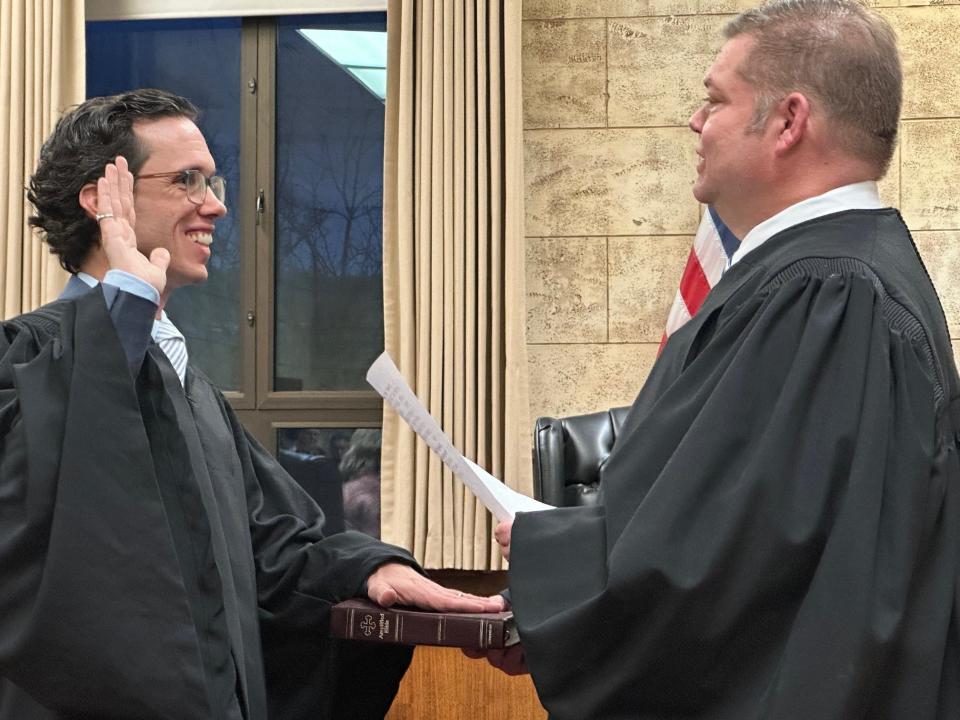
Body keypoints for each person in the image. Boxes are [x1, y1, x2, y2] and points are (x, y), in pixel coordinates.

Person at [485, 1, 960, 718]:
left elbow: (727, 556)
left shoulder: (827, 294)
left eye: (714, 99)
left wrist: (550, 563)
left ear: (788, 121)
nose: (695, 122)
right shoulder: (832, 275)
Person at [0, 89, 504, 720]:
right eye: (187, 181)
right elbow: (53, 525)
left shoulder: (185, 379)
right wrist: (125, 302)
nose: (215, 204)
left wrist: (366, 571)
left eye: (213, 180)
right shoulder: (23, 364)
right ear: (103, 200)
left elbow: (270, 547)